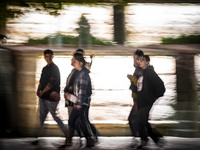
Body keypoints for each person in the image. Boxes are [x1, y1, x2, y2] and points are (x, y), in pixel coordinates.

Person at [61, 53, 97, 148]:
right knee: (76, 122)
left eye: (75, 61)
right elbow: (78, 90)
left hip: (81, 103)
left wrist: (79, 103)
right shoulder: (80, 73)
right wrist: (70, 97)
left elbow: (82, 90)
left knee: (80, 122)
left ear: (80, 63)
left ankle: (89, 140)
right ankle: (88, 140)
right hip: (79, 102)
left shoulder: (83, 74)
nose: (73, 63)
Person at [32, 49, 67, 145]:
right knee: (41, 118)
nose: (48, 58)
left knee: (55, 116)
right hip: (43, 98)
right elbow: (41, 81)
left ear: (53, 57)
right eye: (47, 56)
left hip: (51, 99)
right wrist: (38, 90)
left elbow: (51, 84)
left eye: (50, 56)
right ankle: (37, 138)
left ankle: (67, 134)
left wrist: (42, 92)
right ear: (44, 57)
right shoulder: (44, 68)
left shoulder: (55, 69)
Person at [136, 55, 166, 149]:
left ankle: (152, 138)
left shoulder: (150, 72)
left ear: (148, 62)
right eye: (139, 60)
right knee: (141, 121)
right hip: (141, 102)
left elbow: (161, 86)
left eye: (142, 60)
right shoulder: (142, 72)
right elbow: (140, 88)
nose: (140, 62)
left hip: (147, 102)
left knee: (142, 120)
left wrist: (153, 97)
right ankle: (150, 139)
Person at [127, 49, 143, 147]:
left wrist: (136, 103)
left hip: (139, 100)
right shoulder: (138, 69)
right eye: (134, 58)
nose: (134, 61)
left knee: (134, 119)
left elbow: (139, 86)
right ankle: (140, 138)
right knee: (138, 120)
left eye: (136, 58)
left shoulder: (140, 70)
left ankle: (141, 138)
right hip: (137, 100)